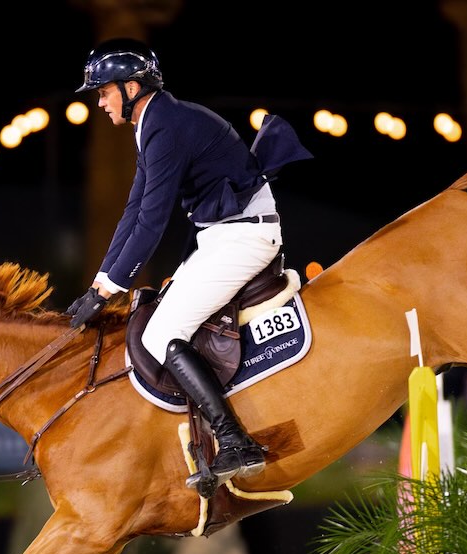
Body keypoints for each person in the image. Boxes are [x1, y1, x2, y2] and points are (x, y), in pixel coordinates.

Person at [66, 38, 311, 493]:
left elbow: (153, 221)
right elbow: (134, 210)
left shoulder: (166, 125)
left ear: (131, 86)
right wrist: (101, 282)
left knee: (161, 334)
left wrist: (109, 291)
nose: (98, 102)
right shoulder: (154, 122)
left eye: (103, 92)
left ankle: (236, 440)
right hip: (222, 235)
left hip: (244, 236)